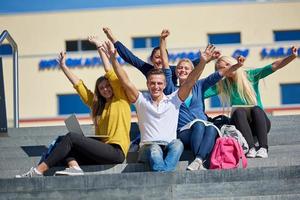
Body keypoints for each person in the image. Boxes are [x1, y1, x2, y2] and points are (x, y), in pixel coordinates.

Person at [16, 36, 131, 178]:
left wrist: (99, 48)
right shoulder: (98, 105)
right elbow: (79, 86)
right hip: (101, 150)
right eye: (101, 88)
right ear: (99, 92)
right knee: (62, 145)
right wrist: (64, 67)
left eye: (108, 86)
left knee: (71, 138)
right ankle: (75, 168)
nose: (105, 89)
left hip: (115, 151)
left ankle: (37, 171)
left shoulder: (121, 99)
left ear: (113, 87)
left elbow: (110, 72)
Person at [100, 38, 215, 172]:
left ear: (165, 85)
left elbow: (190, 82)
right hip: (148, 148)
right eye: (152, 83)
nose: (156, 86)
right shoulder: (141, 100)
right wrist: (114, 60)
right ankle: (164, 175)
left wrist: (202, 62)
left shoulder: (173, 99)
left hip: (169, 145)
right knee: (155, 149)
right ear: (147, 84)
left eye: (159, 83)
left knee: (178, 144)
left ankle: (161, 175)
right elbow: (125, 82)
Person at [160, 29, 243, 170]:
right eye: (180, 68)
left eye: (187, 68)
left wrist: (237, 65)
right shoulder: (170, 89)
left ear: (193, 71)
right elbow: (165, 62)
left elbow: (220, 74)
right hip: (183, 132)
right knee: (199, 124)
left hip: (204, 129)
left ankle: (199, 160)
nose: (183, 70)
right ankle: (201, 160)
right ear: (176, 72)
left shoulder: (199, 85)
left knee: (211, 128)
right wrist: (162, 40)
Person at [204, 46, 298, 158]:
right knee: (238, 111)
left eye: (227, 65)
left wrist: (292, 57)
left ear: (234, 63)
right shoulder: (223, 85)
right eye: (221, 69)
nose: (226, 69)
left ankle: (263, 148)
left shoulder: (250, 75)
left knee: (256, 109)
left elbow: (274, 66)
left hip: (258, 124)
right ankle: (251, 148)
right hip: (240, 125)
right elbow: (200, 93)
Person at [102, 27, 201, 86]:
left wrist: (207, 58)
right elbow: (130, 57)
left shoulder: (174, 70)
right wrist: (113, 39)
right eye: (157, 57)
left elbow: (194, 64)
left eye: (162, 57)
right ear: (151, 59)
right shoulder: (148, 69)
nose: (160, 60)